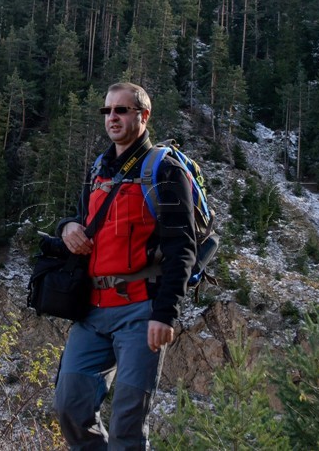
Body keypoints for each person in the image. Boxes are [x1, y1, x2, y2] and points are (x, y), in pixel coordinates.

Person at [53, 82, 196, 450]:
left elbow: (182, 247)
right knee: (69, 407)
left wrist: (165, 314)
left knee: (127, 424)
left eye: (121, 110)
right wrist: (66, 226)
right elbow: (81, 217)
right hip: (92, 310)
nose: (112, 117)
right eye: (108, 111)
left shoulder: (164, 171)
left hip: (141, 312)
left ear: (143, 116)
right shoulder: (98, 168)